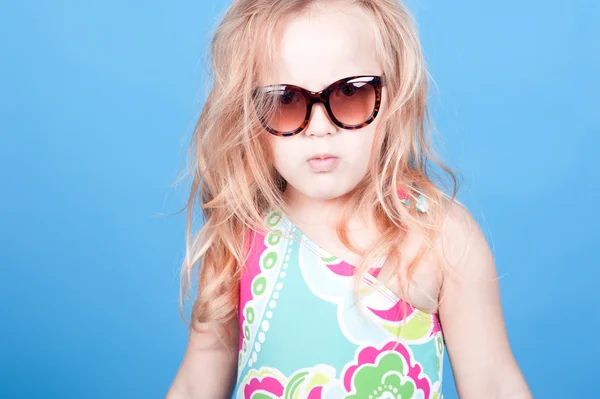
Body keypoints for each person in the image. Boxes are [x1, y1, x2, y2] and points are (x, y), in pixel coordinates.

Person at [167, 0, 533, 398]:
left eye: (350, 93)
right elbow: (194, 387)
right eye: (285, 101)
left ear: (393, 99)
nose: (320, 128)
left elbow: (493, 383)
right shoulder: (239, 236)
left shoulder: (439, 237)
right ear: (249, 113)